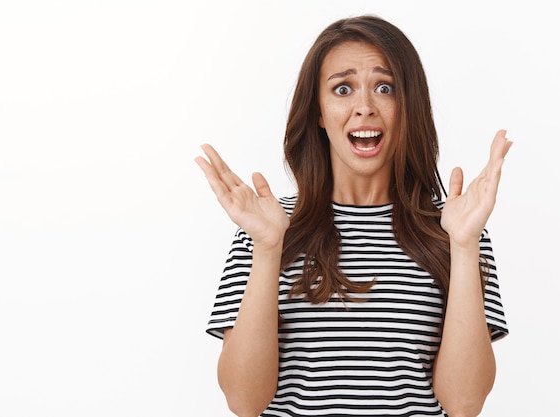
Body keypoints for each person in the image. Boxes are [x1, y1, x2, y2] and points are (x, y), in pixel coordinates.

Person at [194, 14, 512, 417]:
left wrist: (465, 246)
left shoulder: (455, 228)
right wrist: (269, 248)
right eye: (342, 89)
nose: (364, 107)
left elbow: (464, 404)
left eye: (385, 87)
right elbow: (244, 401)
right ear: (319, 113)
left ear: (408, 106)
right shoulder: (267, 227)